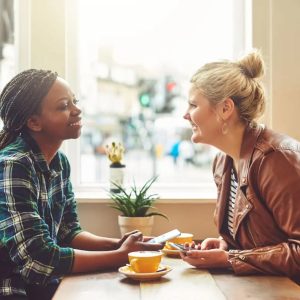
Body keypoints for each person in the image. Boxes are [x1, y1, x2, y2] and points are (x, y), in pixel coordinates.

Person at [0, 69, 163, 300]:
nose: (77, 110)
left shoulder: (59, 162)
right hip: (11, 289)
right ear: (34, 122)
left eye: (74, 101)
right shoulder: (13, 164)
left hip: (44, 286)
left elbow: (67, 231)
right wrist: (121, 256)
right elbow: (38, 260)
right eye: (63, 106)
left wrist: (119, 244)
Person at [181, 50, 300, 283]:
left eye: (193, 105)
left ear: (225, 109)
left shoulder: (277, 160)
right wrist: (225, 245)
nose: (185, 115)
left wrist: (230, 258)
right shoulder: (222, 162)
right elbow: (255, 241)